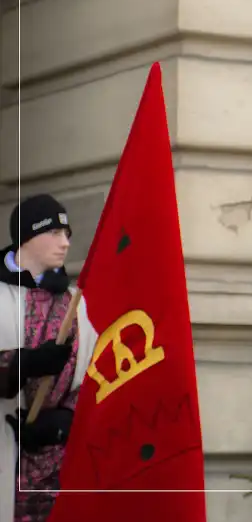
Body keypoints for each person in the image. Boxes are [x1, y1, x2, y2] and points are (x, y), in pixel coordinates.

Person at [0, 194, 98, 522]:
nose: (65, 243)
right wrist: (22, 364)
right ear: (27, 237)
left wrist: (65, 420)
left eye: (67, 234)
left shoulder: (76, 304)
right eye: (54, 233)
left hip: (54, 463)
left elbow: (94, 373)